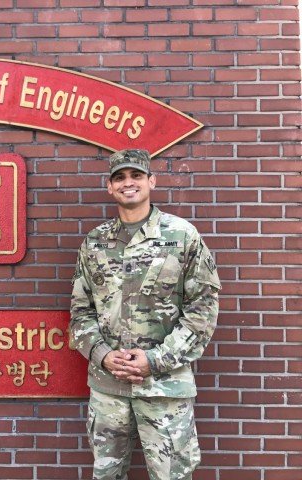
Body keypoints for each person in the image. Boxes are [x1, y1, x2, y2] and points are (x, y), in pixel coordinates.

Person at [69, 149, 221, 480]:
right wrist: (103, 355)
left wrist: (155, 360)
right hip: (108, 389)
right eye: (119, 177)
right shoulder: (94, 243)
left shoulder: (181, 236)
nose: (128, 183)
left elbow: (202, 310)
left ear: (151, 181)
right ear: (109, 187)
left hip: (165, 389)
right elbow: (80, 313)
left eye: (136, 176)